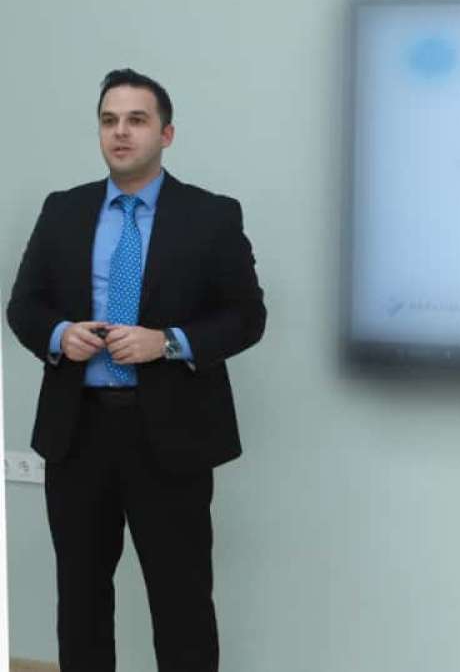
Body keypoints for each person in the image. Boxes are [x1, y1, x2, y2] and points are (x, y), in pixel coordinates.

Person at [6, 68, 267, 672]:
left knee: (181, 603)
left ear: (166, 134)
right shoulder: (63, 210)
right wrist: (59, 335)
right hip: (78, 434)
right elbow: (24, 306)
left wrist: (168, 342)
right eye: (109, 120)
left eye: (136, 120)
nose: (120, 132)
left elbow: (247, 317)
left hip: (170, 438)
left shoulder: (210, 215)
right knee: (80, 601)